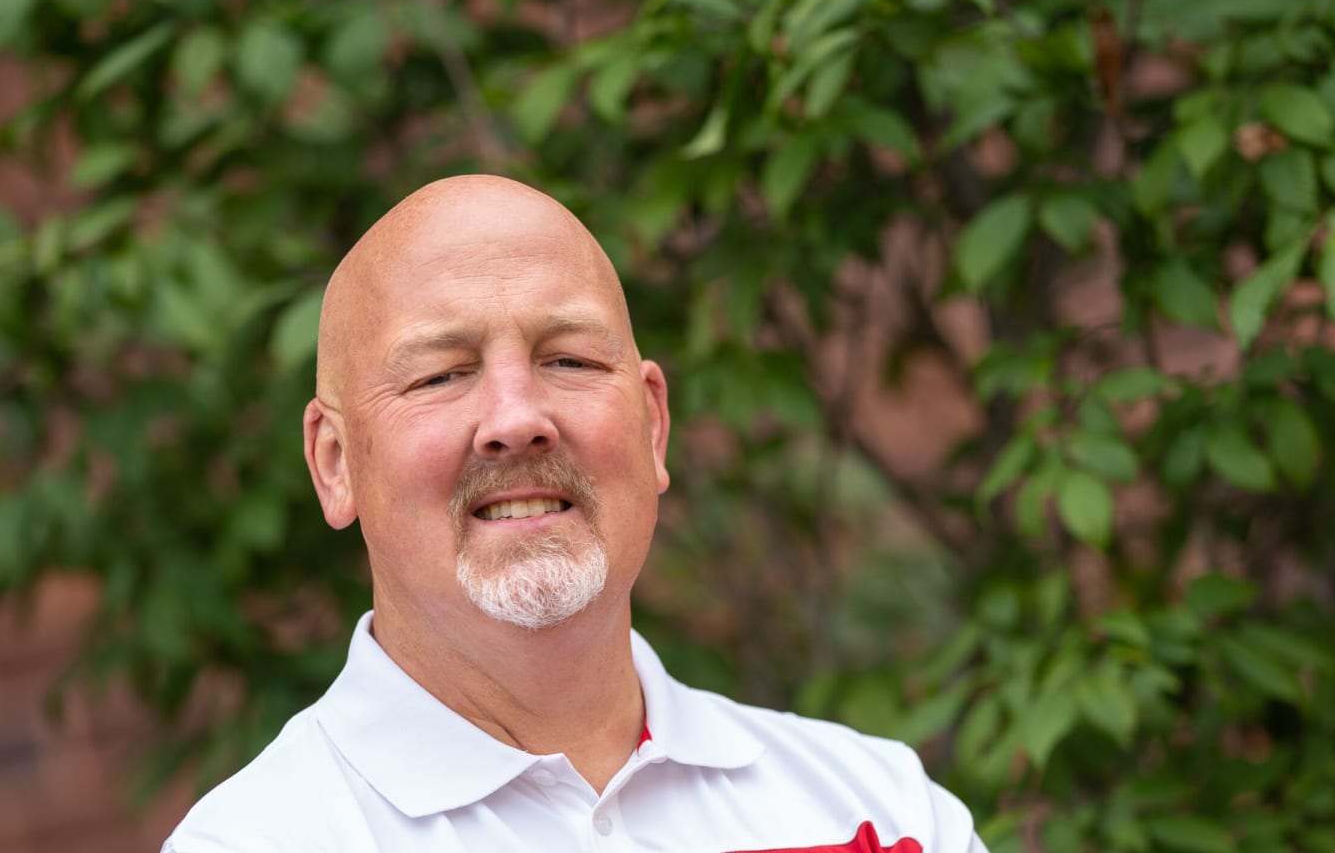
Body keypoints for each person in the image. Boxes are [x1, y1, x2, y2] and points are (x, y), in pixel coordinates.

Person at [162, 175, 987, 853]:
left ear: (653, 425)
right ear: (336, 464)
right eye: (441, 375)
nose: (517, 418)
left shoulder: (881, 812)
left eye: (569, 359)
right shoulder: (258, 840)